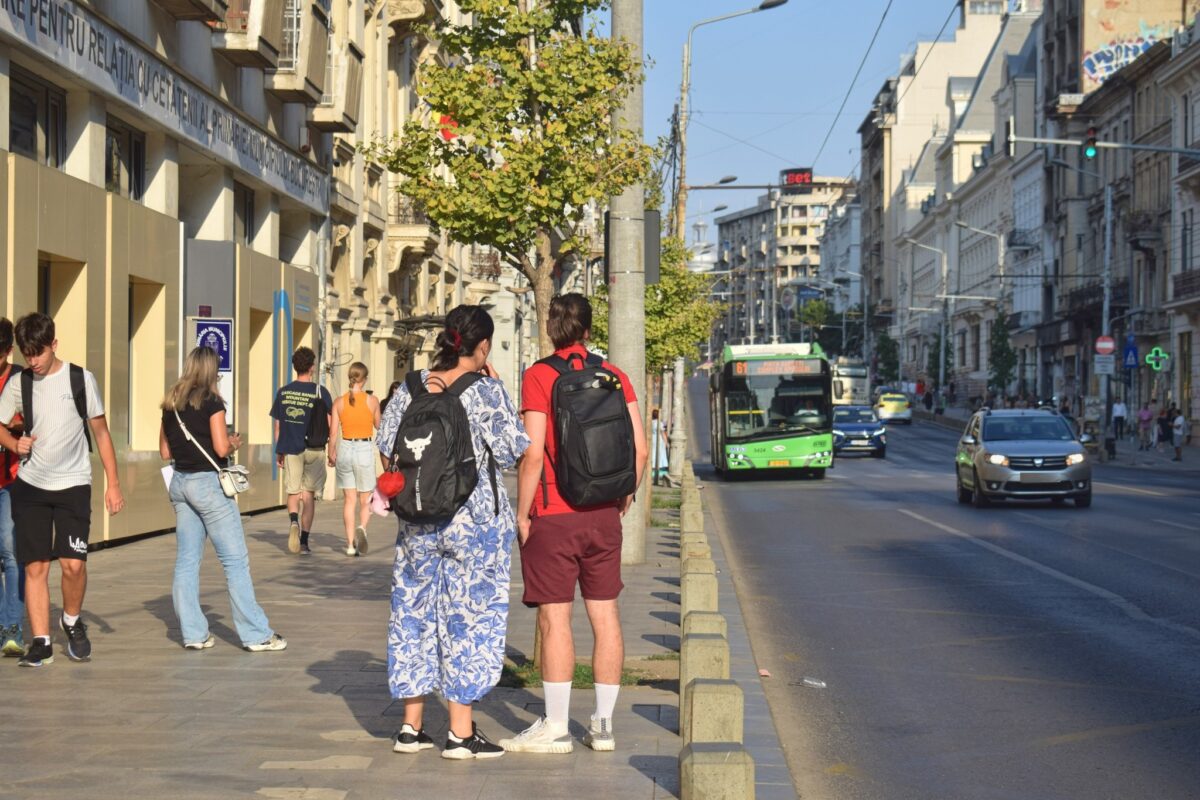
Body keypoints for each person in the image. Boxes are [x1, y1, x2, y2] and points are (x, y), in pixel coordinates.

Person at [378, 305, 529, 760]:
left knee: (412, 614)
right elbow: (512, 450)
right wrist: (496, 388)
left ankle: (410, 728)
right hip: (474, 524)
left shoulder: (411, 386)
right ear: (482, 346)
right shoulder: (485, 390)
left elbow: (386, 447)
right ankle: (460, 734)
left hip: (417, 521)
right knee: (469, 618)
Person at [503, 293, 648, 755]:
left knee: (555, 618)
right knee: (606, 616)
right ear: (587, 329)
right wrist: (624, 494)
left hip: (553, 514)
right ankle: (603, 726)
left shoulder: (539, 376)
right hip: (604, 514)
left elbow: (532, 454)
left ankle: (557, 726)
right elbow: (641, 449)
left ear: (551, 329)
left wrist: (522, 513)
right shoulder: (614, 375)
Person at [0, 313, 124, 667]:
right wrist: (14, 444)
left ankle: (70, 620)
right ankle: (41, 642)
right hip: (31, 487)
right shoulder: (19, 383)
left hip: (73, 485)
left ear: (54, 344)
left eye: (38, 352)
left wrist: (113, 484)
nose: (33, 361)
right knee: (35, 566)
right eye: (27, 354)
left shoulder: (80, 379)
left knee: (72, 565)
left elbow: (101, 433)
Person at [160, 347, 285, 652]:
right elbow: (219, 448)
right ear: (211, 371)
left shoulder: (171, 402)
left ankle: (193, 633)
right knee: (235, 561)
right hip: (208, 486)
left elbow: (165, 451)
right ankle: (256, 634)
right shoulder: (212, 402)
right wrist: (232, 444)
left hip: (180, 483)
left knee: (187, 560)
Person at [270, 347, 333, 556]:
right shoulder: (321, 392)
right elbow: (330, 423)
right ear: (312, 367)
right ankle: (304, 542)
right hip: (315, 449)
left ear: (294, 366)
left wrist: (279, 451)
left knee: (293, 492)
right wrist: (332, 449)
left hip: (291, 448)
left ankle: (293, 522)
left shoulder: (284, 392)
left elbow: (278, 426)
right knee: (308, 495)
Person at [328, 362, 380, 557]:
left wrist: (331, 452)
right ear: (364, 379)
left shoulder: (339, 402)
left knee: (349, 500)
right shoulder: (372, 401)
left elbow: (333, 433)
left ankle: (350, 545)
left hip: (345, 449)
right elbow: (379, 426)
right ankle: (362, 528)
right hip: (364, 449)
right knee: (365, 499)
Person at [0, 319, 24, 656]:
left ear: (7, 351)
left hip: (13, 478)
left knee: (10, 551)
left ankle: (12, 627)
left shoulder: (21, 380)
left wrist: (16, 423)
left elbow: (33, 419)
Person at [650, 409, 669, 485]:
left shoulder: (651, 422)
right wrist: (666, 442)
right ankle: (659, 467)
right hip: (659, 440)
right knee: (660, 454)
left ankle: (653, 466)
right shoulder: (659, 423)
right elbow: (662, 433)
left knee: (653, 453)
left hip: (652, 439)